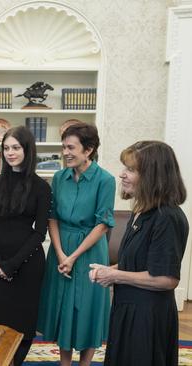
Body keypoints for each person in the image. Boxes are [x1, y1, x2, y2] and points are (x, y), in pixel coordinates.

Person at [89, 141, 188, 366]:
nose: (122, 174)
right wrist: (108, 270)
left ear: (153, 176)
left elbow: (166, 279)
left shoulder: (167, 218)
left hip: (148, 317)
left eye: (131, 169)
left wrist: (115, 276)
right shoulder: (141, 212)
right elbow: (133, 263)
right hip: (128, 309)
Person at [36, 122, 115, 366]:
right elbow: (52, 217)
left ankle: (85, 363)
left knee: (87, 309)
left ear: (88, 150)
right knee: (63, 307)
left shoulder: (106, 180)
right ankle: (64, 363)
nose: (66, 152)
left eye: (71, 147)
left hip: (90, 250)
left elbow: (103, 224)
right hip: (61, 249)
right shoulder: (59, 178)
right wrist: (60, 253)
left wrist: (73, 257)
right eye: (63, 147)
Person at [0, 126, 51, 365]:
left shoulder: (42, 187)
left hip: (27, 264)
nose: (10, 153)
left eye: (16, 148)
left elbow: (40, 232)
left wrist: (12, 265)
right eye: (6, 148)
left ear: (27, 149)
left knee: (23, 327)